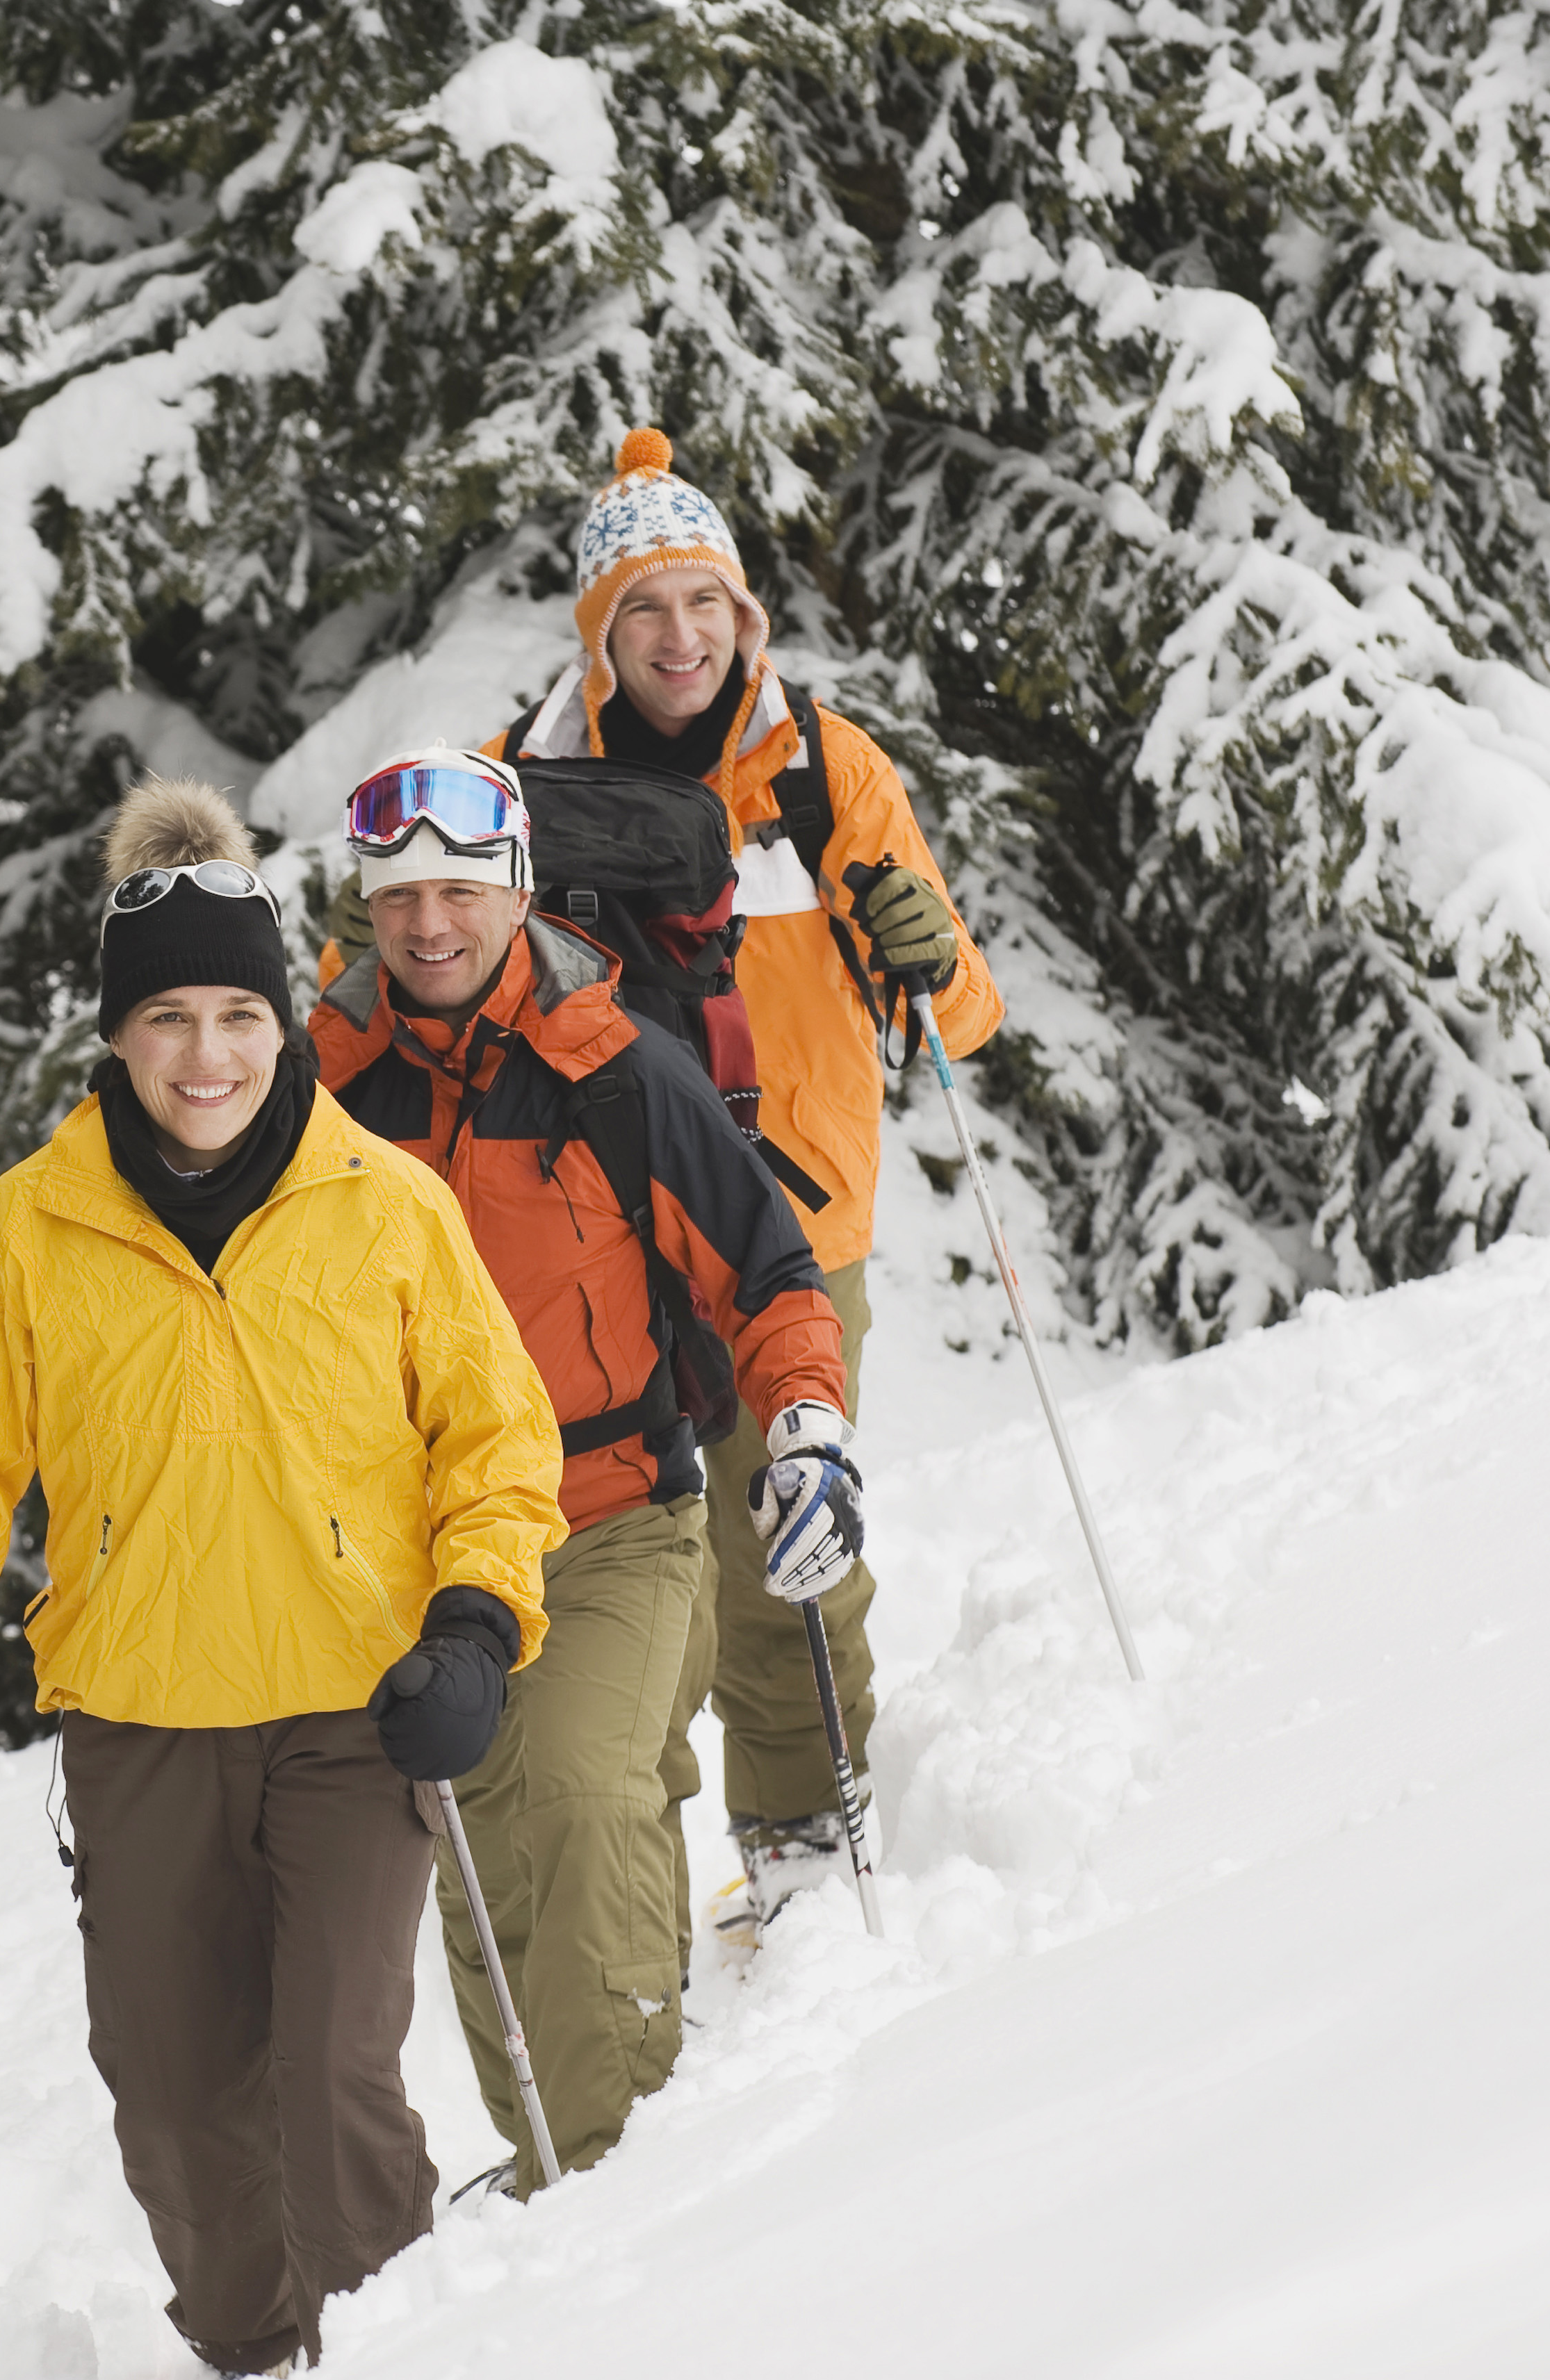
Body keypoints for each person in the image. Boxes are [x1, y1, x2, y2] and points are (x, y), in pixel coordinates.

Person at [0, 778, 564, 2378]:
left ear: (289, 1024)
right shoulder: (33, 1229)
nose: (209, 1056)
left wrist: (474, 1625)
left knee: (332, 2077)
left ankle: (396, 2349)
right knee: (173, 2097)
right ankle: (252, 2351)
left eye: (241, 1014)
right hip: (143, 1719)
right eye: (169, 1019)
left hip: (358, 1713)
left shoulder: (387, 1208)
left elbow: (497, 1447)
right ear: (116, 1036)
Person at [307, 748, 854, 2192]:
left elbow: (769, 1271)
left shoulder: (615, 1071)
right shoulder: (326, 1096)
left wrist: (804, 1426)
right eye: (401, 895)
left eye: (461, 891)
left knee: (588, 1791)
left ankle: (626, 2186)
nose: (431, 924)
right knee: (491, 1863)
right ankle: (555, 2156)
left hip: (619, 1517)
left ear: (516, 890)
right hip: (431, 1561)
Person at [491, 426, 1005, 1923]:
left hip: (796, 1219)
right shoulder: (518, 783)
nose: (679, 638)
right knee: (620, 1563)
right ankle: (632, 1873)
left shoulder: (824, 771)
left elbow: (963, 1017)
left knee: (793, 1534)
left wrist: (929, 953)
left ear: (745, 618)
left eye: (704, 603)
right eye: (644, 609)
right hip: (589, 1232)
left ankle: (798, 1834)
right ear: (600, 633)